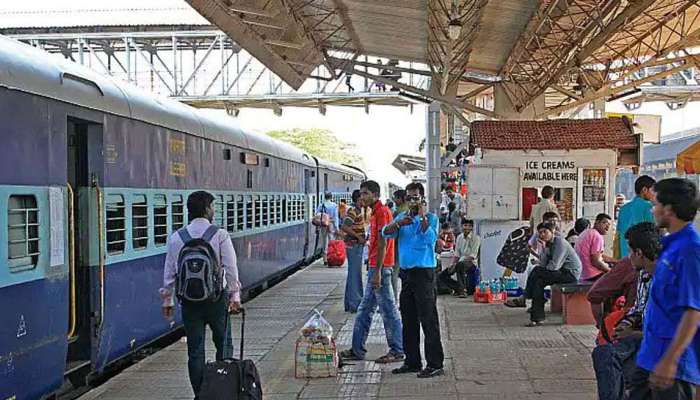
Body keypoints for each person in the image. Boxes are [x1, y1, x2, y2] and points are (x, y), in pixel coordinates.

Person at [159, 191, 241, 398]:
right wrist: (235, 297)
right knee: (224, 346)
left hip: (189, 302)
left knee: (195, 351)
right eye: (212, 207)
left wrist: (167, 300)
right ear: (206, 209)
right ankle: (223, 390)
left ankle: (201, 394)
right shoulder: (220, 235)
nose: (214, 211)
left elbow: (170, 273)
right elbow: (231, 269)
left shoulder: (177, 237)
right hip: (216, 299)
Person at [627, 178, 700, 399]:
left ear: (668, 210)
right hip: (651, 354)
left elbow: (693, 312)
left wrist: (671, 359)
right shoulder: (668, 246)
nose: (653, 209)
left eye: (656, 204)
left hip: (673, 362)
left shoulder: (689, 251)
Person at [382, 182, 445, 378]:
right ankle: (412, 361)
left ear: (422, 199)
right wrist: (399, 223)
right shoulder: (402, 218)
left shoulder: (431, 218)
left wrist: (422, 216)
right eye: (409, 197)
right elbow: (386, 232)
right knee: (408, 319)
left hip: (424, 274)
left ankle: (435, 363)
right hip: (407, 274)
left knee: (428, 319)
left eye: (415, 197)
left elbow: (430, 239)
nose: (412, 201)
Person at [591, 222, 659, 400]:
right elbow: (639, 308)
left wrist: (633, 333)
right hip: (640, 336)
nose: (628, 257)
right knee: (603, 353)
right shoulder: (644, 275)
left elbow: (667, 331)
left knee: (626, 370)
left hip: (658, 342)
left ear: (639, 253)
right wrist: (626, 325)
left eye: (630, 252)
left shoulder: (668, 279)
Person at [340, 180, 404, 364]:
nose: (362, 197)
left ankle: (397, 350)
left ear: (375, 195)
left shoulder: (382, 212)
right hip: (377, 266)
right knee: (364, 310)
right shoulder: (375, 212)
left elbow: (383, 242)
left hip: (381, 268)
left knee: (388, 310)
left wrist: (377, 271)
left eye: (366, 193)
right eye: (361, 194)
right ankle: (357, 349)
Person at [524, 221, 582, 326]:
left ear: (552, 231)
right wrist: (544, 248)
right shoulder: (547, 244)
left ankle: (526, 295)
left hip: (570, 274)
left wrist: (544, 268)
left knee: (536, 271)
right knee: (538, 283)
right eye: (540, 233)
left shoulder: (560, 243)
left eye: (545, 232)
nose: (542, 235)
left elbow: (554, 266)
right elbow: (543, 264)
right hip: (559, 272)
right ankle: (537, 318)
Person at [438, 218, 480, 297]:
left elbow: (472, 256)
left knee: (460, 265)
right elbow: (457, 254)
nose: (466, 227)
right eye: (465, 225)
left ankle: (462, 291)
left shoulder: (476, 238)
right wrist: (453, 264)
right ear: (461, 226)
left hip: (471, 263)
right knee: (442, 275)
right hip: (459, 262)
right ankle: (458, 288)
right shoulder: (459, 237)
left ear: (472, 227)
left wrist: (458, 263)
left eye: (469, 226)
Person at [616, 175, 655, 258]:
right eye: (653, 190)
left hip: (625, 256)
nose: (654, 194)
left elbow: (618, 235)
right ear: (644, 190)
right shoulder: (648, 207)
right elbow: (653, 233)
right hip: (641, 257)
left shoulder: (623, 209)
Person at [341, 190, 366, 313]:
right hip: (354, 246)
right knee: (354, 274)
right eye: (361, 199)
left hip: (355, 246)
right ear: (357, 200)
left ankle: (350, 303)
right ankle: (355, 303)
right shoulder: (353, 211)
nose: (363, 202)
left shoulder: (357, 211)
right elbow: (345, 227)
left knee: (353, 274)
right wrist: (358, 237)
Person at [575, 213, 615, 282]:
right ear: (597, 222)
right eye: (604, 223)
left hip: (582, 274)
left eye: (609, 224)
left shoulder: (586, 232)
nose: (607, 226)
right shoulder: (597, 236)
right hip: (592, 275)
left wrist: (616, 261)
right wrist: (611, 272)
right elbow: (596, 262)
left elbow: (598, 255)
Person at [316, 192, 339, 265]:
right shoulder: (334, 205)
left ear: (325, 197)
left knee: (324, 241)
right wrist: (337, 227)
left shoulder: (321, 205)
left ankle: (325, 259)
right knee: (331, 241)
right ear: (331, 197)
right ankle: (331, 257)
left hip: (324, 224)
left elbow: (317, 215)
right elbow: (336, 217)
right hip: (331, 224)